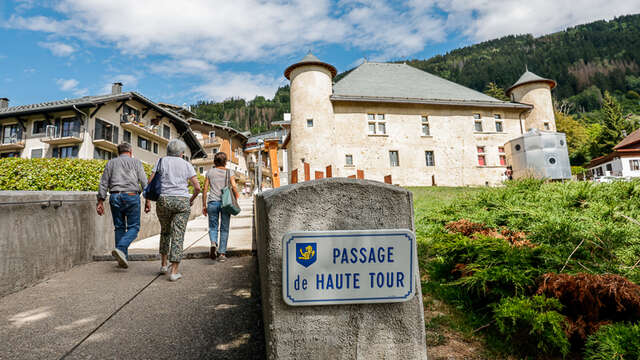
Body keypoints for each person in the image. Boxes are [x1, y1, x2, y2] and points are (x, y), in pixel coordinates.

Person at [145, 139, 201, 281]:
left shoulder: (161, 161)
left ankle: (164, 265)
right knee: (178, 235)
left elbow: (150, 183)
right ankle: (174, 271)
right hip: (182, 201)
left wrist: (147, 200)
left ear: (168, 151)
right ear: (181, 153)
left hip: (163, 200)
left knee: (165, 232)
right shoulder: (187, 165)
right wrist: (192, 198)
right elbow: (197, 187)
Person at [96, 142, 148, 269]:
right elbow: (144, 182)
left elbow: (103, 183)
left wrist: (100, 201)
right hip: (131, 196)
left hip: (115, 196)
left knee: (119, 227)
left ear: (118, 152)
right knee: (134, 227)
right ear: (130, 152)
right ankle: (120, 248)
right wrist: (148, 200)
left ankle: (122, 258)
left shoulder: (111, 163)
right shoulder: (137, 163)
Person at [202, 152, 239, 262]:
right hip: (225, 203)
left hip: (212, 202)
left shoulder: (209, 172)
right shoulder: (229, 172)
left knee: (213, 226)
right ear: (225, 162)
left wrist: (204, 205)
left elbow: (205, 189)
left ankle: (213, 242)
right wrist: (236, 198)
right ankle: (222, 253)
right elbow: (234, 186)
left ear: (214, 161)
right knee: (224, 228)